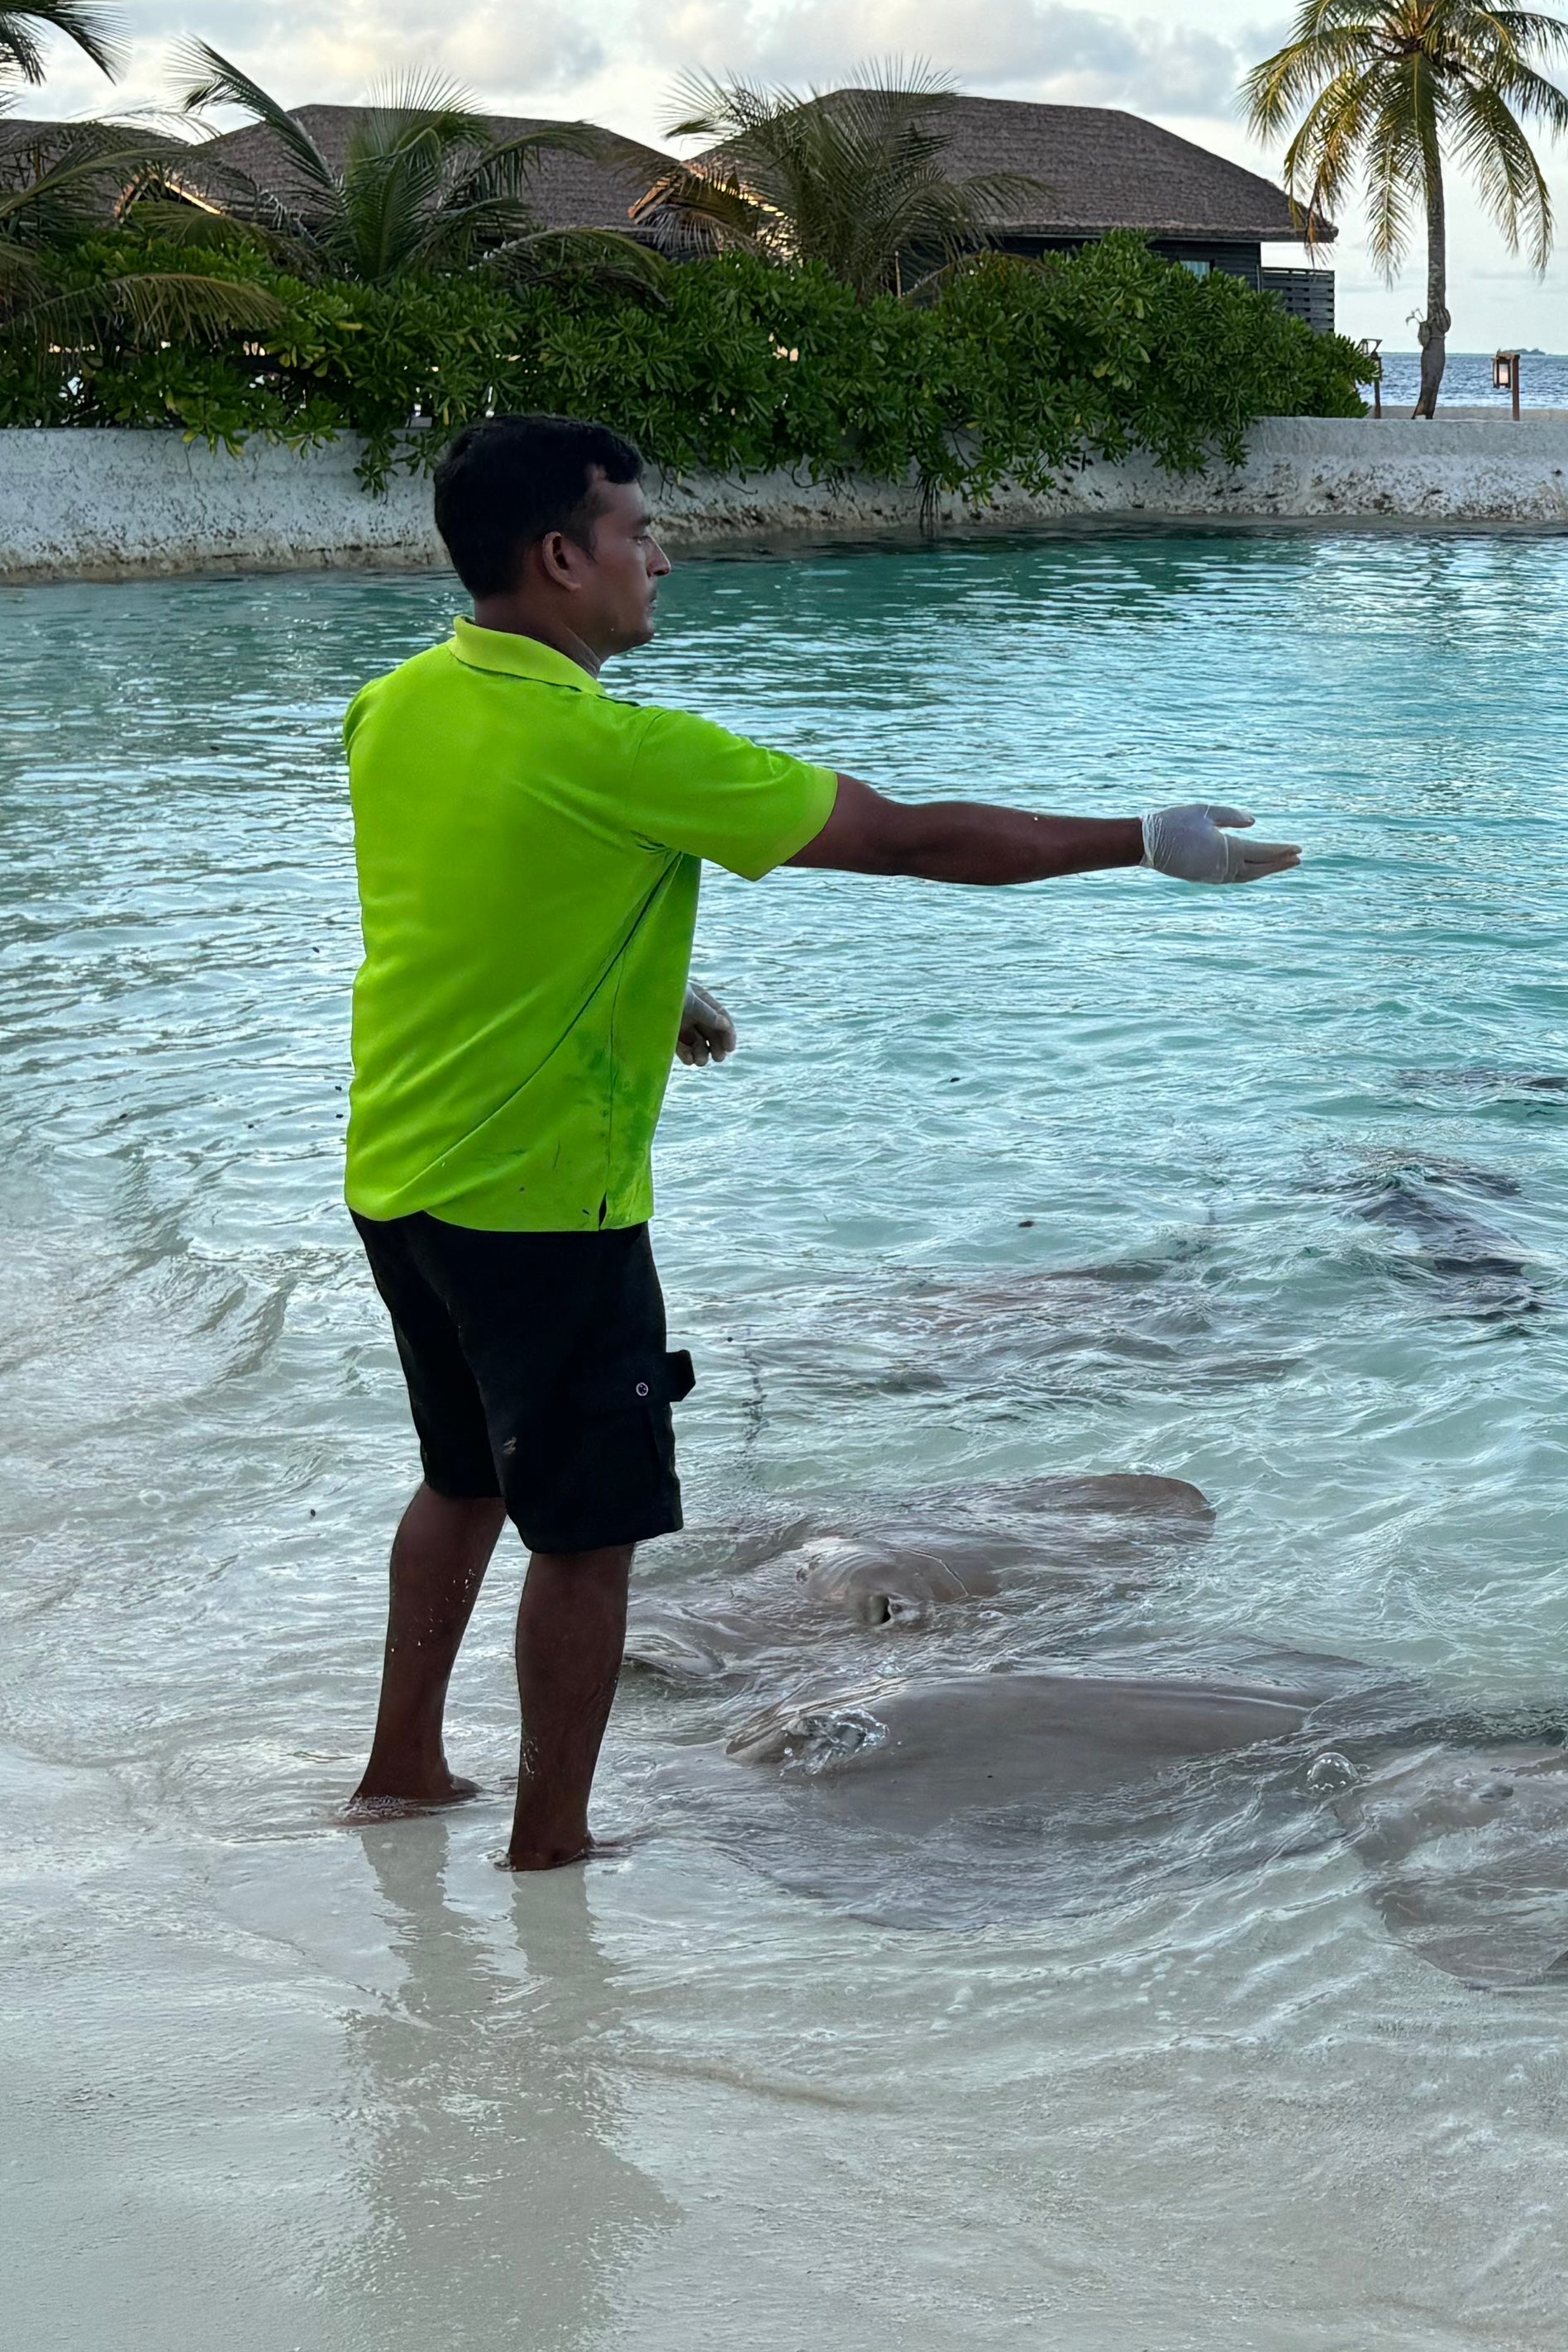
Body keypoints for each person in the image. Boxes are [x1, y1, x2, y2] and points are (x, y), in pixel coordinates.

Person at [337, 413, 1298, 1868]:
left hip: (400, 1174)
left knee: (462, 1479)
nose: (661, 559)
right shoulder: (616, 746)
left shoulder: (397, 704)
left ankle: (403, 1772)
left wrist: (658, 990)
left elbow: (471, 888)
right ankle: (552, 1851)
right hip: (543, 1202)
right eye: (636, 532)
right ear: (557, 558)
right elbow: (907, 838)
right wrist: (1141, 840)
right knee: (584, 1537)